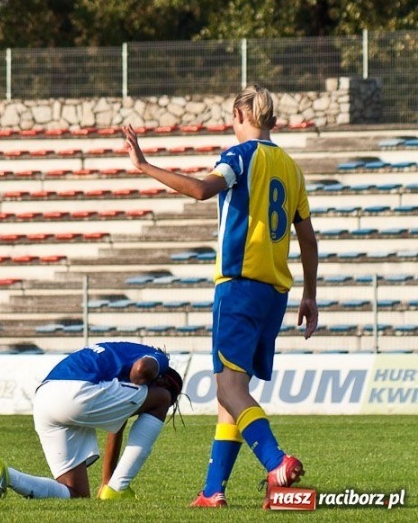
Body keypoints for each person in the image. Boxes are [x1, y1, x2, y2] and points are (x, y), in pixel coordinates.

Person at [122, 84, 319, 508]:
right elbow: (308, 238)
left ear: (239, 115)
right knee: (232, 393)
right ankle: (213, 491)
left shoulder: (239, 157)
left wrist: (144, 165)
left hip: (239, 286)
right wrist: (310, 294)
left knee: (228, 387)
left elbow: (201, 189)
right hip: (275, 293)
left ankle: (276, 461)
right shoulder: (291, 168)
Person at [0, 342, 183, 502]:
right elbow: (142, 369)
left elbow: (117, 423)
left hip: (45, 398)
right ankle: (119, 488)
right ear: (163, 378)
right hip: (77, 392)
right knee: (162, 398)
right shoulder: (158, 358)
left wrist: (106, 482)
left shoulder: (120, 355)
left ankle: (7, 475)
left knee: (75, 492)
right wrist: (155, 390)